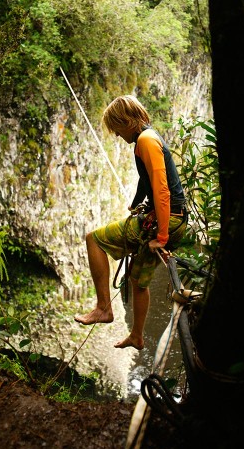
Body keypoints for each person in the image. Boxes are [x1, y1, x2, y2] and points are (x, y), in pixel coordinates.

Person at [74, 95, 187, 350]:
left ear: (126, 121)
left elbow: (162, 190)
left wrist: (161, 237)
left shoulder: (146, 141)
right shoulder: (149, 137)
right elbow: (146, 180)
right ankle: (136, 336)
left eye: (116, 127)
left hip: (165, 220)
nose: (116, 135)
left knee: (94, 239)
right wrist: (137, 204)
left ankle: (103, 308)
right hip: (175, 219)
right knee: (138, 281)